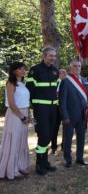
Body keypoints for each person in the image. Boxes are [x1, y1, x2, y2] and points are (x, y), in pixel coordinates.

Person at [26, 46, 58, 175]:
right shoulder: (35, 70)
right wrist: (29, 109)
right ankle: (39, 165)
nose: (53, 58)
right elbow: (29, 90)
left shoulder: (55, 71)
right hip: (41, 109)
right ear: (44, 56)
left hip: (53, 109)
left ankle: (45, 162)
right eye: (50, 56)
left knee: (49, 135)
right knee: (43, 135)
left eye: (54, 56)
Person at [59, 59, 88, 168]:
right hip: (70, 115)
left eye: (78, 66)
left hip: (83, 114)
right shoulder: (66, 81)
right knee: (68, 138)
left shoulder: (84, 80)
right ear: (70, 68)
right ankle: (68, 160)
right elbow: (62, 101)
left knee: (81, 137)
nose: (77, 68)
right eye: (74, 66)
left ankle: (80, 158)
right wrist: (64, 116)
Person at [0, 62, 31, 180]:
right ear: (14, 71)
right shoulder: (10, 83)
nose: (23, 71)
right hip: (14, 115)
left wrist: (28, 115)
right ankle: (11, 169)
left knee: (21, 141)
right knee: (14, 140)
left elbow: (25, 101)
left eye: (24, 68)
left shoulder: (22, 84)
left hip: (23, 113)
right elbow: (12, 104)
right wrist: (21, 116)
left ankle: (19, 165)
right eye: (20, 69)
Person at [51, 69, 67, 155]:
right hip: (56, 108)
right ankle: (53, 147)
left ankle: (64, 146)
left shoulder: (68, 83)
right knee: (54, 128)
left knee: (66, 128)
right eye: (61, 72)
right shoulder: (54, 82)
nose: (63, 74)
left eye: (65, 72)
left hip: (65, 109)